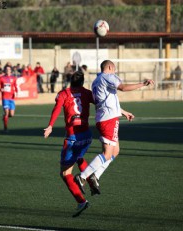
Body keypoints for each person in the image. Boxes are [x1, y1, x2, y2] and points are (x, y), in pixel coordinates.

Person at [74, 60, 154, 195]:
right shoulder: (108, 76)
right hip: (108, 120)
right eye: (114, 70)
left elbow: (107, 100)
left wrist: (123, 112)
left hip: (105, 117)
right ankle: (82, 177)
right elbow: (122, 87)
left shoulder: (96, 81)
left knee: (115, 150)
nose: (115, 73)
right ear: (110, 67)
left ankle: (95, 176)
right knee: (107, 153)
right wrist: (143, 84)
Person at [43, 71, 97, 217]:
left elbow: (56, 109)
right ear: (82, 81)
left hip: (73, 137)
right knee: (79, 156)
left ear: (69, 81)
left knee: (65, 173)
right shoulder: (87, 93)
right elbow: (101, 103)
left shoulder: (63, 94)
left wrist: (50, 126)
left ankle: (81, 201)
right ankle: (91, 180)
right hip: (87, 136)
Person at [0, 66, 18, 132]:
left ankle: (5, 117)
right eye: (6, 69)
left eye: (9, 69)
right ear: (5, 70)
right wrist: (0, 89)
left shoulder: (13, 78)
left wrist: (16, 92)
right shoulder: (1, 78)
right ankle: (5, 128)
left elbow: (15, 86)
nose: (8, 70)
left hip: (12, 98)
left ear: (11, 71)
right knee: (7, 112)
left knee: (11, 114)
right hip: (5, 98)